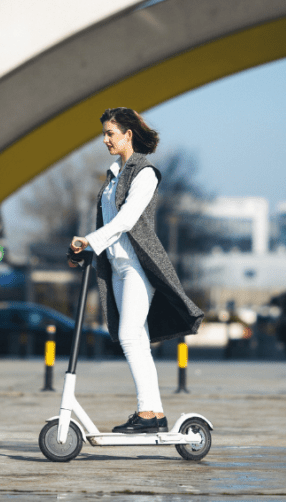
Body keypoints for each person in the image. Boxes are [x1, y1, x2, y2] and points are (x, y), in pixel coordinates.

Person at [68, 107, 204, 434]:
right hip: (115, 268)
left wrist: (90, 240)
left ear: (128, 135)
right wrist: (84, 250)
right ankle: (153, 413)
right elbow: (105, 222)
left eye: (110, 134)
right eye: (104, 134)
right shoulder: (112, 176)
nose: (105, 140)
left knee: (129, 335)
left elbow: (126, 220)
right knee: (137, 340)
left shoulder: (145, 173)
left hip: (137, 267)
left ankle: (147, 413)